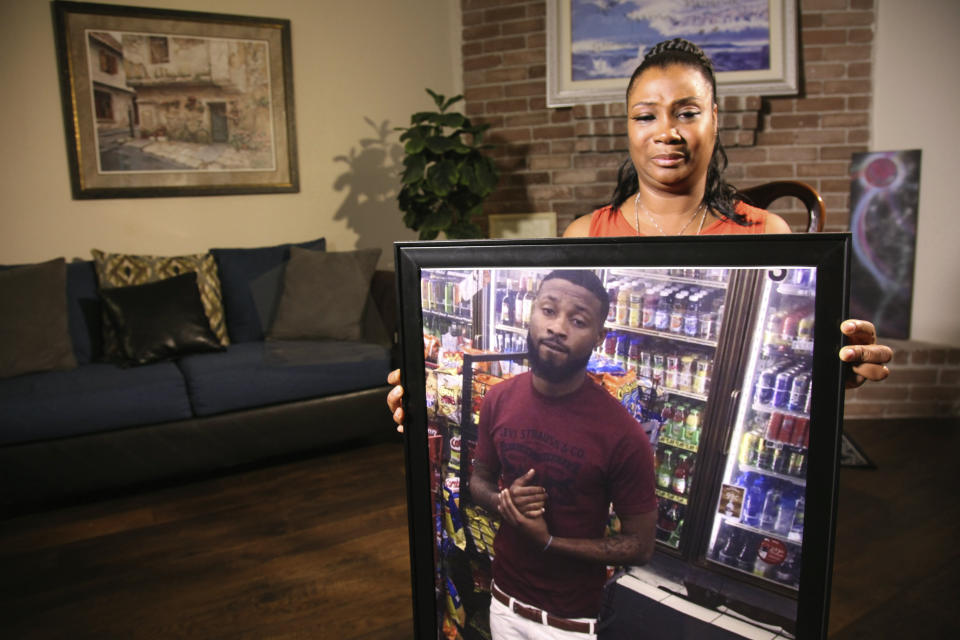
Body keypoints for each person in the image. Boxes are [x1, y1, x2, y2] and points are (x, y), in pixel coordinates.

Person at [387, 38, 892, 430]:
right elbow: (551, 363)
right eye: (646, 115)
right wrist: (433, 392)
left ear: (715, 119)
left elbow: (786, 359)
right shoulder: (586, 232)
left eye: (687, 112)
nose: (666, 131)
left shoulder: (767, 232)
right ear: (629, 127)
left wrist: (834, 367)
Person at [470, 269, 657, 638]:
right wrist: (502, 501)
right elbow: (478, 480)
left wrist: (549, 543)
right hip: (502, 601)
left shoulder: (623, 434)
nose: (558, 327)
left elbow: (640, 545)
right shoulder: (498, 399)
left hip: (567, 623)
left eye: (578, 320)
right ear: (531, 313)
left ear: (598, 337)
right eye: (549, 310)